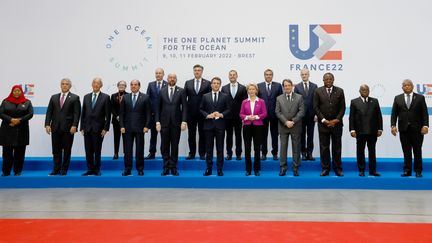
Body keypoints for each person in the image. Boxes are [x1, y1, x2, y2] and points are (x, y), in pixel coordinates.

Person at [391, 79, 429, 177]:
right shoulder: (397, 98)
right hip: (403, 129)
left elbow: (424, 113)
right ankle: (407, 170)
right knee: (406, 151)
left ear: (412, 86)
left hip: (417, 129)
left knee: (417, 150)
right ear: (402, 87)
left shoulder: (420, 98)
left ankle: (418, 170)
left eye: (408, 85)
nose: (406, 87)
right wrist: (393, 125)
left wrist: (425, 125)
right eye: (404, 85)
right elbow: (394, 114)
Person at [45, 78, 81, 176]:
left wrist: (75, 125)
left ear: (70, 86)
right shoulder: (53, 97)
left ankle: (64, 169)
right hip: (55, 128)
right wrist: (47, 124)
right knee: (56, 150)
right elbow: (49, 112)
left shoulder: (75, 98)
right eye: (63, 84)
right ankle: (56, 169)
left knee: (67, 150)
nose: (64, 85)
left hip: (68, 129)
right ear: (60, 85)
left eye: (67, 84)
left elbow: (77, 113)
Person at [313, 73, 345, 177]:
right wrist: (323, 120)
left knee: (337, 148)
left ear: (333, 79)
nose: (328, 80)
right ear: (323, 80)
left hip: (337, 125)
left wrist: (336, 120)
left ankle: (337, 168)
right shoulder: (318, 91)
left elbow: (342, 108)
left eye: (330, 79)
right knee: (324, 148)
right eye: (326, 79)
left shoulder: (340, 91)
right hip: (323, 125)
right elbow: (316, 107)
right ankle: (325, 168)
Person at [155, 73, 187, 176]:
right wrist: (157, 122)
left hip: (176, 123)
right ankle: (165, 167)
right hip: (164, 123)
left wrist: (184, 121)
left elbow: (185, 108)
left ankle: (173, 167)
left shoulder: (181, 91)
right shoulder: (162, 91)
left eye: (174, 77)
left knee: (174, 146)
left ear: (176, 79)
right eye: (170, 77)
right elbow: (157, 108)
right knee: (164, 146)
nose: (172, 79)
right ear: (167, 79)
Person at [349, 84, 383, 177]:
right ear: (359, 91)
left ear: (369, 91)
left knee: (372, 151)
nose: (365, 91)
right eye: (363, 90)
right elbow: (351, 117)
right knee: (360, 151)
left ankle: (373, 171)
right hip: (360, 131)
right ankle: (361, 170)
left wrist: (380, 128)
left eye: (367, 90)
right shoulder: (354, 102)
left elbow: (379, 116)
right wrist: (352, 130)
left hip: (372, 131)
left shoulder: (375, 101)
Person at [119, 79, 151, 176]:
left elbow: (148, 114)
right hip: (127, 128)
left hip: (140, 128)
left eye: (135, 85)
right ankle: (127, 169)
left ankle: (140, 168)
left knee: (139, 150)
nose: (133, 86)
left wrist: (147, 126)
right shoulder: (125, 97)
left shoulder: (145, 97)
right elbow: (121, 114)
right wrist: (122, 126)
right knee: (128, 150)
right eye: (132, 84)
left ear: (139, 86)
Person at [80, 78, 111, 176]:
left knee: (97, 150)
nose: (96, 85)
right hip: (87, 128)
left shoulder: (106, 97)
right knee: (88, 150)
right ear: (91, 84)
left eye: (98, 83)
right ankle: (90, 169)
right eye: (94, 83)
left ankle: (97, 169)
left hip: (99, 129)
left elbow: (108, 114)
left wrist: (105, 128)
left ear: (101, 85)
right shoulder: (86, 97)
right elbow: (83, 113)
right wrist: (82, 127)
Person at [200, 77, 231, 176]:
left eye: (218, 83)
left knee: (220, 148)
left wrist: (222, 114)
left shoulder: (225, 96)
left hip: (220, 126)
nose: (216, 85)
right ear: (211, 85)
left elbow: (229, 109)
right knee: (209, 149)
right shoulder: (205, 96)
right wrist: (207, 115)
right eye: (214, 83)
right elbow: (201, 109)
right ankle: (208, 168)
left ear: (220, 85)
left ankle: (219, 169)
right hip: (208, 126)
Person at [0, 85, 33, 176]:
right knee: (7, 153)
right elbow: (1, 113)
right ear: (12, 92)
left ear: (21, 92)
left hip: (22, 131)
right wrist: (11, 119)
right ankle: (6, 171)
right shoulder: (5, 101)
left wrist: (19, 120)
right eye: (15, 91)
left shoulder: (27, 102)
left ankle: (18, 171)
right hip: (7, 131)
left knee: (20, 153)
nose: (17, 92)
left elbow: (30, 114)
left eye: (18, 91)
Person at [276, 79, 305, 176]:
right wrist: (286, 121)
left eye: (289, 85)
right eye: (285, 85)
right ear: (283, 87)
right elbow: (277, 112)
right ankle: (283, 167)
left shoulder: (299, 97)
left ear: (292, 86)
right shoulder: (279, 98)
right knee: (283, 148)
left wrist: (293, 121)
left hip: (295, 126)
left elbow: (301, 111)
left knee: (296, 148)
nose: (287, 87)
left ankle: (295, 167)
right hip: (283, 126)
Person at [184, 64, 211, 160]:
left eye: (199, 70)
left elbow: (210, 99)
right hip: (191, 114)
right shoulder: (188, 83)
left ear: (202, 71)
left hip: (203, 114)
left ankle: (202, 153)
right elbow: (184, 100)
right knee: (191, 134)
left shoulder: (207, 83)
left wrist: (208, 114)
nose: (197, 71)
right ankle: (192, 153)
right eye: (195, 70)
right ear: (193, 71)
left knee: (202, 134)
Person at [239, 83, 267, 176]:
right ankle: (248, 169)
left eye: (253, 89)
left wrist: (256, 117)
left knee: (257, 148)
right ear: (247, 91)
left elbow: (264, 114)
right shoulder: (244, 102)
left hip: (258, 126)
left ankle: (257, 169)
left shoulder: (261, 101)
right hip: (247, 126)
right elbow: (241, 114)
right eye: (249, 89)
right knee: (247, 148)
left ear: (256, 90)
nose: (251, 91)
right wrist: (247, 117)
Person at [221, 70, 247, 160]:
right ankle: (229, 153)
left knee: (238, 135)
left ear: (237, 76)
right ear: (228, 76)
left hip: (238, 117)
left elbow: (245, 103)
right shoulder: (224, 88)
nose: (232, 76)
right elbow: (222, 103)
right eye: (230, 75)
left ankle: (238, 154)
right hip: (227, 117)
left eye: (234, 75)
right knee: (228, 135)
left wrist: (244, 116)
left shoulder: (243, 88)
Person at [258, 69, 283, 160]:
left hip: (275, 115)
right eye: (266, 74)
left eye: (270, 74)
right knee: (263, 135)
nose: (268, 76)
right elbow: (257, 101)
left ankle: (275, 153)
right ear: (264, 75)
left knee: (275, 135)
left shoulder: (278, 85)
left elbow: (281, 100)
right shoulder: (259, 86)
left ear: (272, 76)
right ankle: (263, 153)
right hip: (263, 115)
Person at [294, 68, 318, 161]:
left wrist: (316, 114)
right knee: (302, 135)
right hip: (301, 116)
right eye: (302, 74)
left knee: (310, 135)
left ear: (308, 75)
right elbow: (295, 102)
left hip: (312, 115)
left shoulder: (314, 86)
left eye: (305, 74)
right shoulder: (297, 87)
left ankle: (310, 153)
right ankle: (303, 153)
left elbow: (316, 101)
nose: (304, 76)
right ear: (301, 75)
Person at [146, 68, 167, 159]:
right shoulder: (151, 85)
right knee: (153, 135)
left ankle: (164, 153)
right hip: (153, 115)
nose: (158, 75)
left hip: (164, 115)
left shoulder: (167, 85)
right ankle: (152, 152)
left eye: (160, 73)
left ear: (163, 74)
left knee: (164, 136)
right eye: (156, 73)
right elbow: (147, 99)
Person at [110, 80, 128, 160]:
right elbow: (112, 107)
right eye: (120, 85)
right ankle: (116, 153)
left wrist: (123, 116)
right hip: (116, 120)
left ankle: (126, 153)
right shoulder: (113, 96)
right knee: (116, 137)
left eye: (123, 85)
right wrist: (117, 116)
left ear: (125, 87)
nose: (121, 86)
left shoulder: (128, 95)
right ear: (117, 86)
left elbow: (129, 108)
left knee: (126, 138)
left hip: (125, 120)